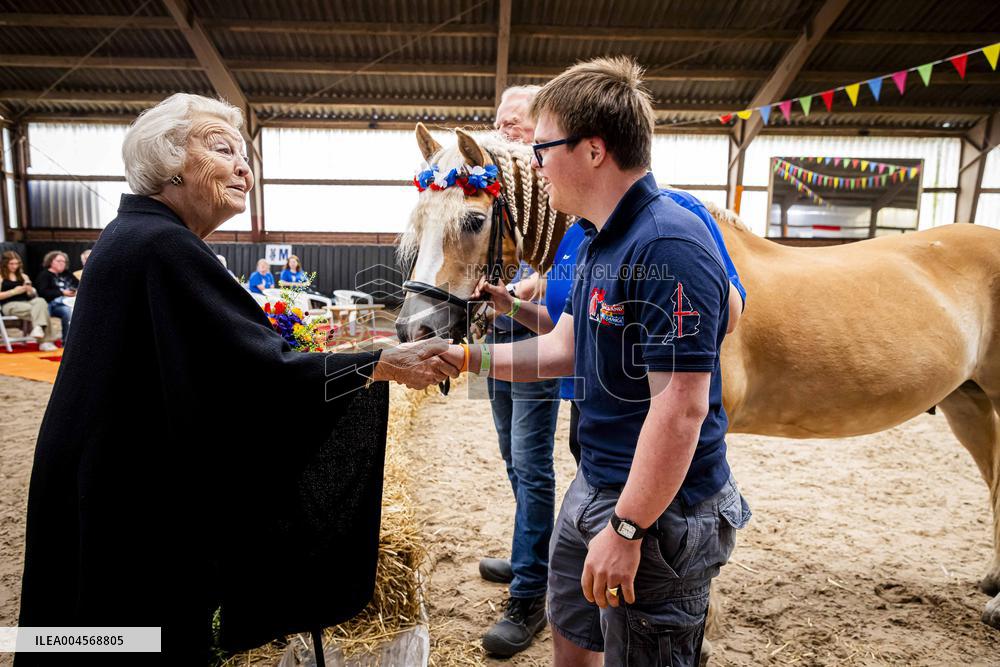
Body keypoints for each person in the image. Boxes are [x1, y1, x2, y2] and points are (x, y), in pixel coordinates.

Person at [16, 93, 458, 665]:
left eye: (245, 152)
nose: (243, 166)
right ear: (169, 164)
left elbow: (208, 375)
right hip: (128, 499)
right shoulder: (161, 245)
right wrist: (378, 363)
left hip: (105, 475)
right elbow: (255, 375)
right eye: (222, 149)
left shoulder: (137, 238)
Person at [441, 58, 751, 666]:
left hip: (661, 510)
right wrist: (464, 356)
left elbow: (682, 409)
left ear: (593, 151)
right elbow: (567, 346)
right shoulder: (593, 236)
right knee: (571, 636)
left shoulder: (669, 243)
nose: (533, 161)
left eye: (543, 146)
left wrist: (629, 528)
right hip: (598, 480)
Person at [474, 190, 747, 464]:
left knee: (529, 460)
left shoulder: (678, 213)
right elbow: (569, 332)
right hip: (587, 405)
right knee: (519, 457)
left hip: (637, 410)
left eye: (542, 149)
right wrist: (509, 307)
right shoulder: (579, 234)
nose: (535, 163)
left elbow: (728, 315)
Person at [477, 84, 561, 658]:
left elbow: (567, 260)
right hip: (502, 328)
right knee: (511, 453)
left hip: (539, 334)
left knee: (532, 463)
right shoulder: (499, 190)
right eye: (500, 122)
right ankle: (535, 549)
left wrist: (539, 278)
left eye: (516, 122)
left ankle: (531, 591)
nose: (505, 130)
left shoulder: (554, 189)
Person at [0, 250, 58, 351]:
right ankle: (45, 341)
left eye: (16, 263)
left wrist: (30, 290)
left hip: (27, 302)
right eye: (11, 263)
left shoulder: (23, 276)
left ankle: (38, 328)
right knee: (42, 310)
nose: (14, 266)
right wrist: (14, 292)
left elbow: (32, 295)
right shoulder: (1, 277)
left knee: (40, 301)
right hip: (9, 304)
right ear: (5, 264)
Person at [34, 250, 78, 344]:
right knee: (66, 308)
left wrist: (74, 291)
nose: (62, 263)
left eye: (64, 261)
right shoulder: (44, 275)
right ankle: (46, 339)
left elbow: (78, 285)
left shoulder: (67, 274)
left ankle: (66, 342)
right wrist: (62, 293)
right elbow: (43, 292)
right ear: (50, 262)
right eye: (59, 261)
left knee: (68, 311)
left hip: (66, 303)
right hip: (50, 304)